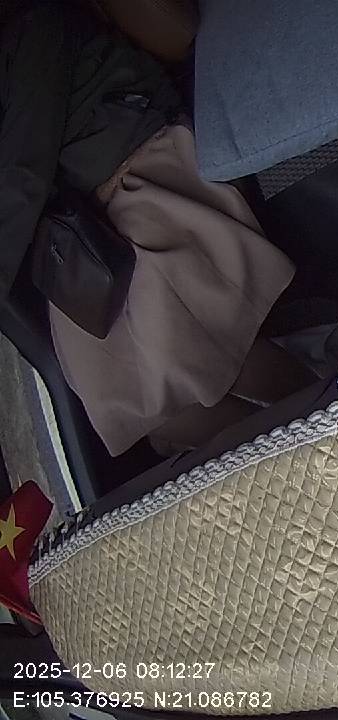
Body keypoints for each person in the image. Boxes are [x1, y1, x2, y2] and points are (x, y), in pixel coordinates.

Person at [1, 2, 312, 456]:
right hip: (82, 228)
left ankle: (337, 416)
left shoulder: (34, 25)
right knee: (137, 406)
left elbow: (21, 176)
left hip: (139, 167)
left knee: (198, 356)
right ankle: (284, 459)